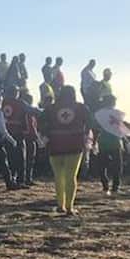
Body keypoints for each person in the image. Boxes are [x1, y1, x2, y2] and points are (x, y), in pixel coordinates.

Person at [41, 85, 92, 215]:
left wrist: (45, 137)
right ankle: (69, 207)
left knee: (58, 176)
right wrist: (88, 139)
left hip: (55, 145)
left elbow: (41, 123)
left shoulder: (50, 109)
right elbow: (91, 124)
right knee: (71, 176)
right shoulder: (81, 108)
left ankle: (60, 205)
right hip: (75, 146)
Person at [0, 86, 29, 188]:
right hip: (18, 133)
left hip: (6, 134)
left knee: (9, 157)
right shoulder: (20, 103)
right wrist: (26, 130)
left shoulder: (3, 103)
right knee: (20, 158)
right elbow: (26, 115)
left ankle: (11, 178)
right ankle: (20, 180)